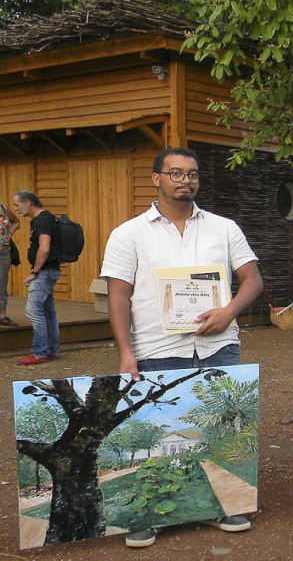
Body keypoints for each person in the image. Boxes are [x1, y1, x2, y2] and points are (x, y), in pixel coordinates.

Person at [100, 147, 264, 547]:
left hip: (219, 345)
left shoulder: (223, 228)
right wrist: (126, 351)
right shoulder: (128, 233)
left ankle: (229, 504)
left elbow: (253, 280)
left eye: (192, 174)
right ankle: (146, 515)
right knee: (157, 429)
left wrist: (229, 311)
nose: (185, 180)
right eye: (175, 173)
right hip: (156, 345)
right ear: (156, 178)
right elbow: (118, 296)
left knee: (228, 423)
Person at [12, 191, 60, 364]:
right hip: (48, 271)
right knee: (48, 312)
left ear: (28, 203)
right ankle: (52, 350)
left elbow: (44, 248)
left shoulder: (43, 220)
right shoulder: (44, 219)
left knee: (33, 312)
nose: (15, 209)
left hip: (44, 272)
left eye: (17, 205)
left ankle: (39, 352)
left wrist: (34, 271)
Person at [1, 202, 21, 326]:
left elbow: (16, 222)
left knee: (1, 284)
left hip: (3, 252)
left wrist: (9, 234)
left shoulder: (3, 209)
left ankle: (2, 316)